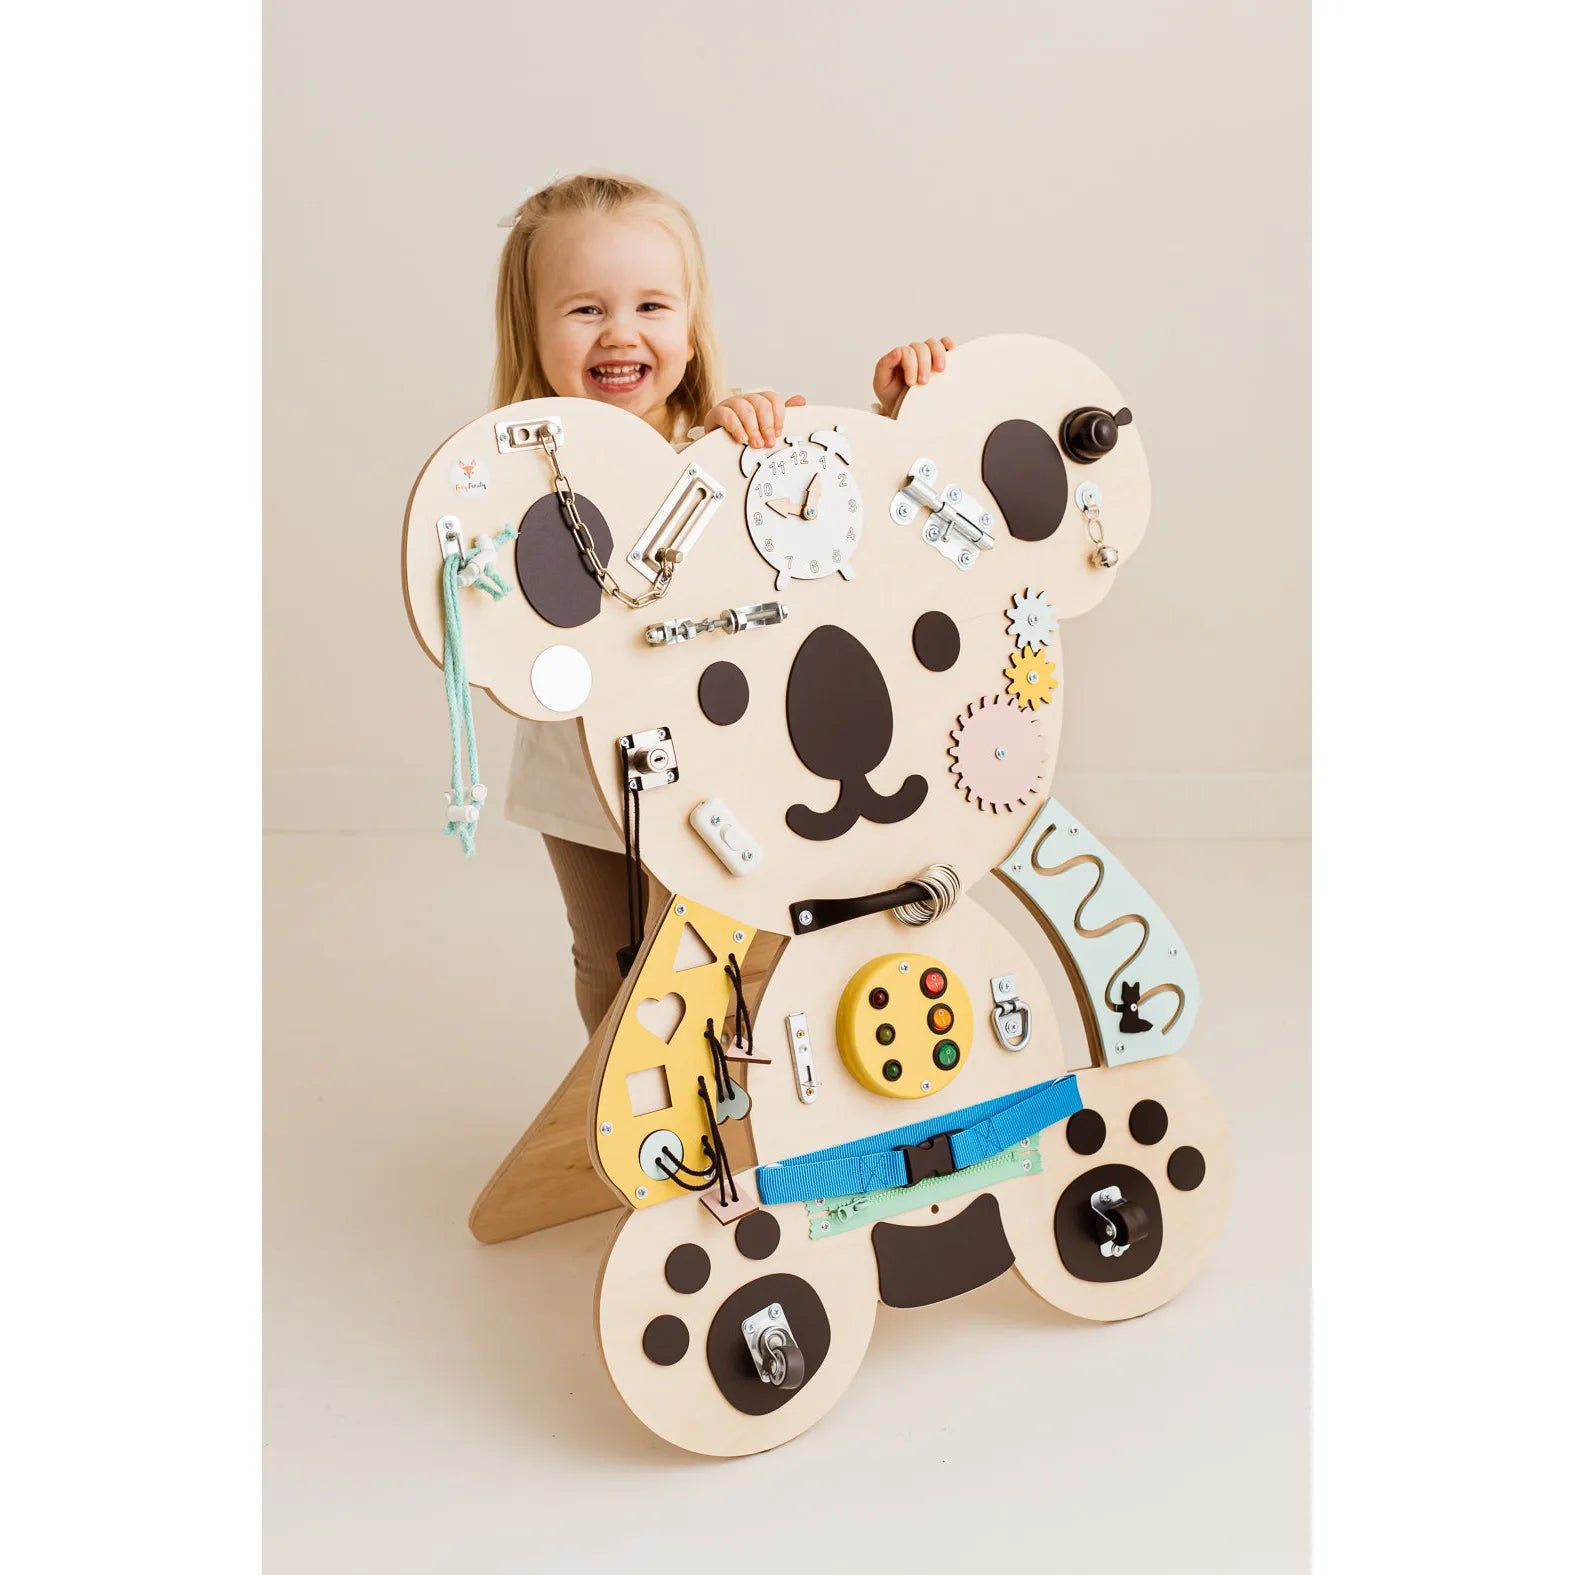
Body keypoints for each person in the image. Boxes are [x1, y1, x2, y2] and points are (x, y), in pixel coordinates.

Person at [492, 170, 954, 1036]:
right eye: (585, 309)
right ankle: (622, 1105)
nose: (620, 332)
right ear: (533, 325)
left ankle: (729, 1101)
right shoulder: (517, 467)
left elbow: (836, 531)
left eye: (651, 306)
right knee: (610, 958)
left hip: (711, 756)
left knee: (717, 953)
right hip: (578, 766)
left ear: (689, 325)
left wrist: (896, 416)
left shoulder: (723, 445)